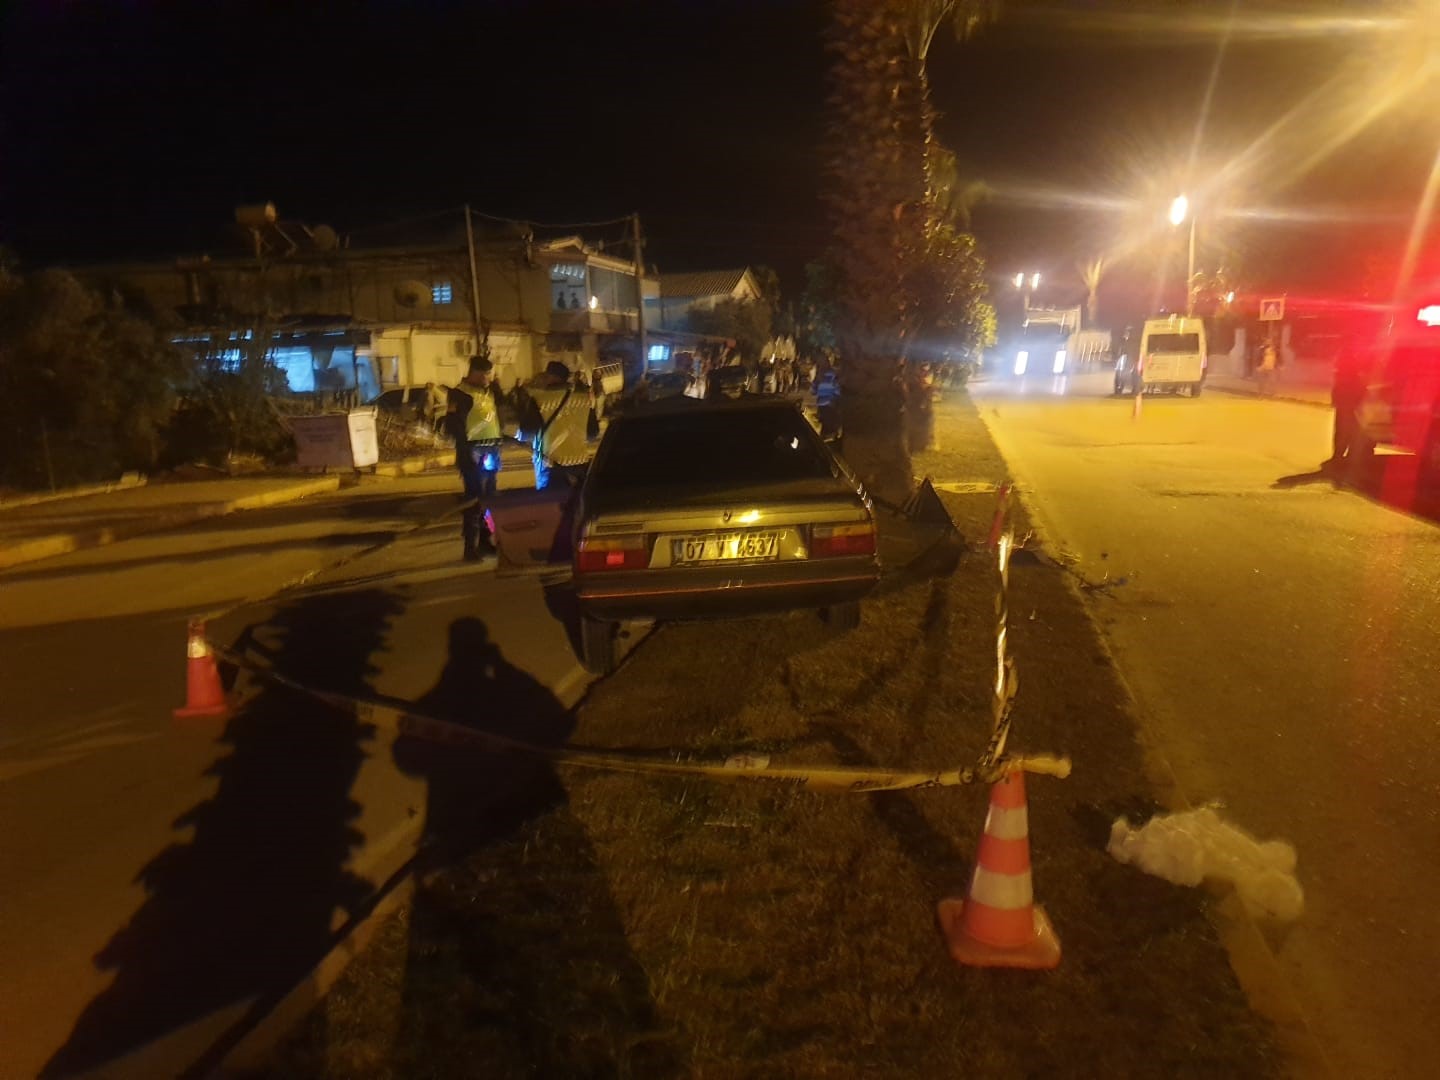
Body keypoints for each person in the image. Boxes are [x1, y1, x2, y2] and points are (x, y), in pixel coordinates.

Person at [447, 355, 503, 561]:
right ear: (475, 373)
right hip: (473, 453)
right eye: (486, 374)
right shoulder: (460, 394)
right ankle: (470, 547)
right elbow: (453, 426)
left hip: (492, 449)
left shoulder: (488, 392)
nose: (489, 377)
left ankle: (486, 542)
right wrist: (467, 452)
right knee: (474, 500)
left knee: (489, 499)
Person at [527, 360, 592, 490]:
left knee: (553, 500)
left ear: (552, 377)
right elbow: (592, 432)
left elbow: (527, 430)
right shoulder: (584, 398)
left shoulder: (539, 399)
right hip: (580, 462)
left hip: (551, 463)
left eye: (546, 376)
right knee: (578, 498)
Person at [1321, 340, 1375, 482]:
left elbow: (1339, 382)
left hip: (1346, 399)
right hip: (1352, 399)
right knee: (1351, 428)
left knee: (1343, 429)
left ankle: (1340, 455)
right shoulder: (1355, 361)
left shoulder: (1344, 361)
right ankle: (1347, 455)